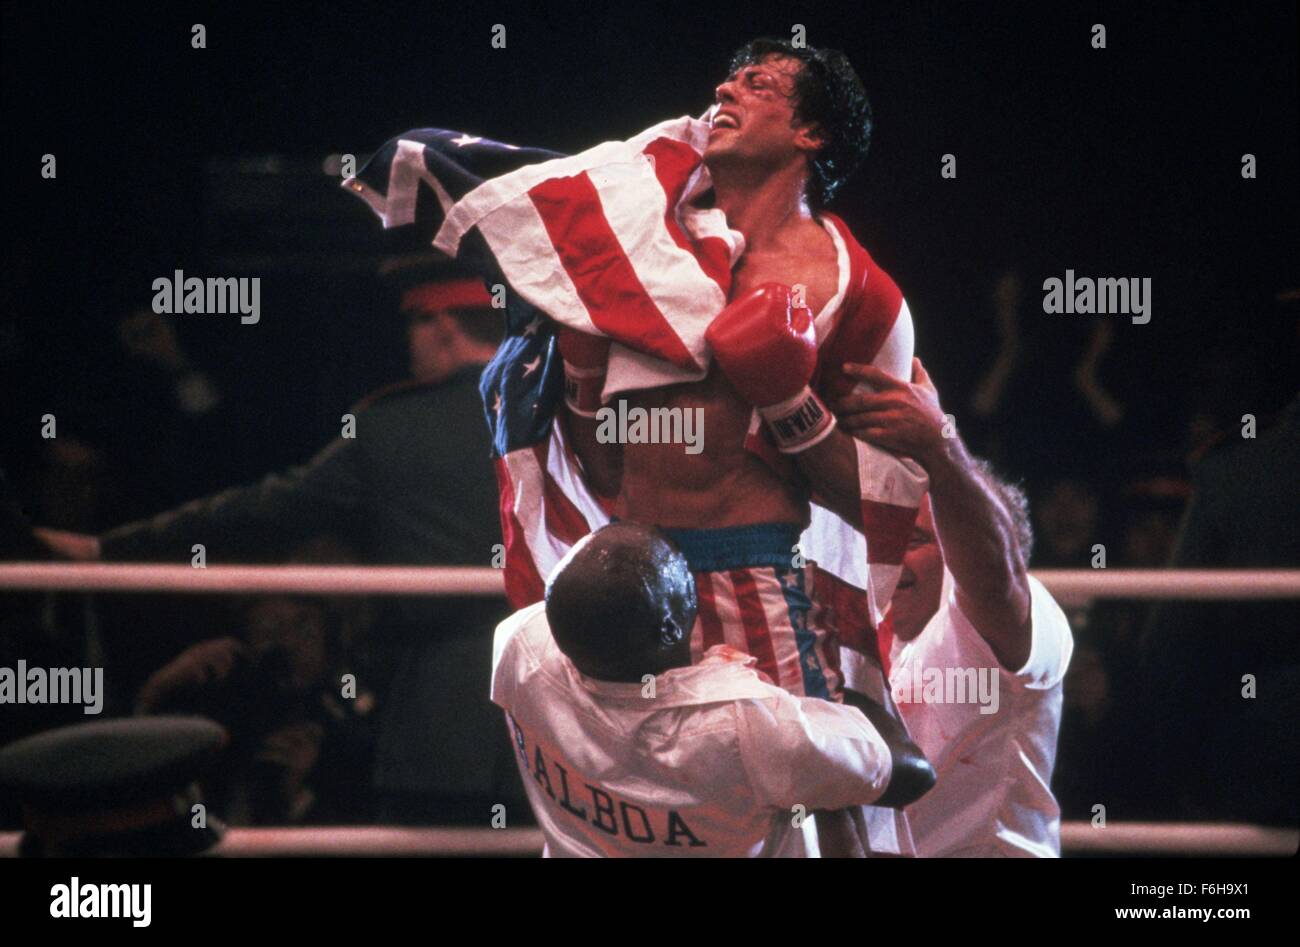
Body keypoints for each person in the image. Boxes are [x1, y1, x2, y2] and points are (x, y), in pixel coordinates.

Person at [34, 273, 526, 826]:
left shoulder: (395, 425)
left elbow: (262, 509)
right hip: (563, 708)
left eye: (412, 323)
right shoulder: (559, 409)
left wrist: (109, 549)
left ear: (440, 325)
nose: (408, 345)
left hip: (443, 719)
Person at [491, 521, 934, 857]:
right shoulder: (743, 724)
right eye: (680, 567)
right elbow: (913, 774)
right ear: (670, 626)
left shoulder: (519, 644)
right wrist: (829, 692)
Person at [832, 358, 1074, 856]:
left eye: (915, 540)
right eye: (883, 536)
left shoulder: (1015, 615)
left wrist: (939, 449)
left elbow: (996, 580)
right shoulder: (860, 625)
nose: (889, 556)